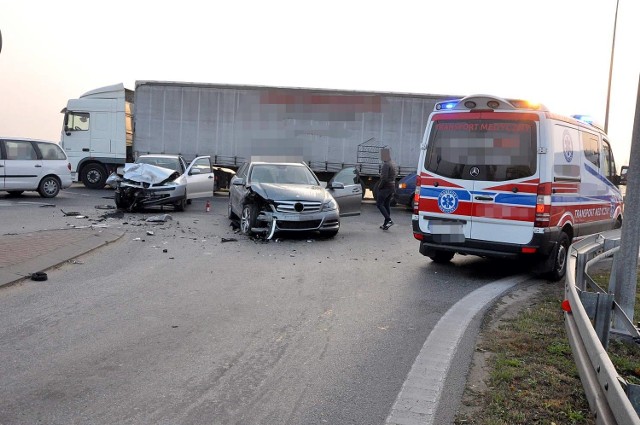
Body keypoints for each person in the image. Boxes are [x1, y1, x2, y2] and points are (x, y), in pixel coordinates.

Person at [376, 148, 398, 230]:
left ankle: (389, 220)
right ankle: (386, 224)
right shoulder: (393, 163)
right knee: (386, 204)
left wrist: (379, 186)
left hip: (385, 187)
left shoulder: (386, 165)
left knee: (379, 204)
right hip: (391, 187)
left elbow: (384, 178)